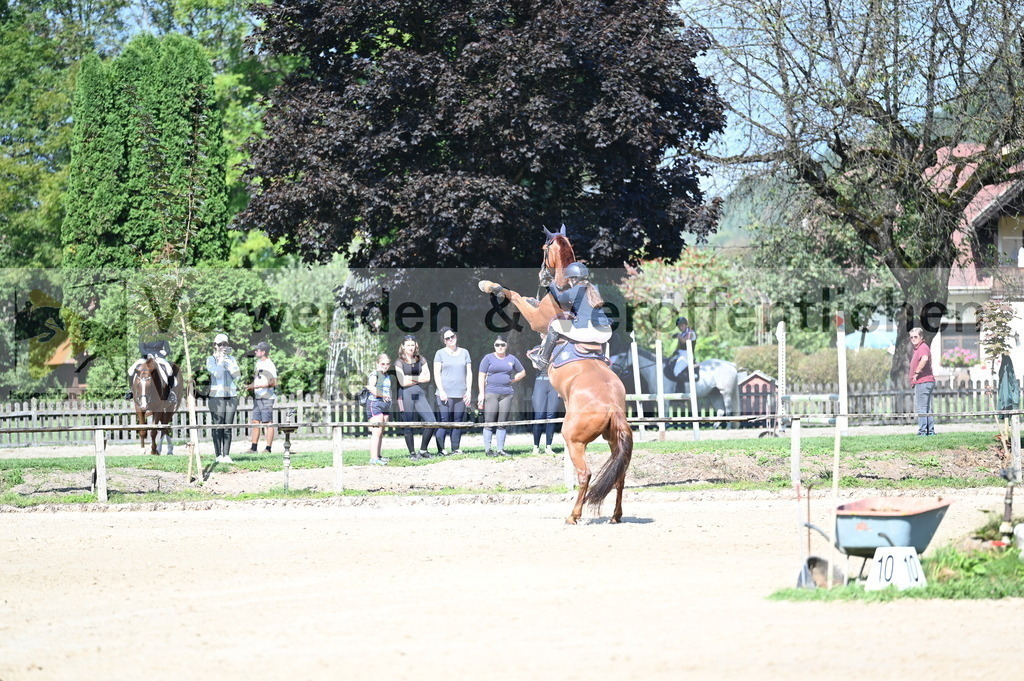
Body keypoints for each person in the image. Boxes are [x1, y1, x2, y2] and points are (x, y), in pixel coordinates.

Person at [529, 262, 613, 371]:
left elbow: (559, 298)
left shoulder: (575, 290)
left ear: (574, 279)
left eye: (569, 279)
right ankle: (602, 358)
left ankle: (542, 360)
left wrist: (551, 283)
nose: (569, 282)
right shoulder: (594, 288)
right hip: (606, 332)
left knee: (555, 324)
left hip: (589, 331)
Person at [477, 335, 526, 456]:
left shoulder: (511, 358)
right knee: (489, 421)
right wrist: (481, 394)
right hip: (491, 393)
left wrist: (513, 380)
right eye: (497, 345)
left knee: (502, 422)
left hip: (507, 394)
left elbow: (523, 372)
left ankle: (500, 450)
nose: (500, 347)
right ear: (494, 346)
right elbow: (481, 376)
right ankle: (488, 450)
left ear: (506, 345)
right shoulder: (488, 358)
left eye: (502, 345)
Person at [395, 335, 441, 460]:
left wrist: (409, 378)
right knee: (408, 424)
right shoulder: (399, 362)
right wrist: (418, 378)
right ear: (403, 346)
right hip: (404, 395)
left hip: (419, 394)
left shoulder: (421, 359)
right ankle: (412, 453)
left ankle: (423, 450)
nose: (411, 347)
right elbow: (402, 382)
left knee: (432, 422)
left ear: (416, 345)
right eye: (408, 345)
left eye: (412, 344)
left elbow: (427, 378)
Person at [433, 326, 472, 456]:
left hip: (461, 393)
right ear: (444, 341)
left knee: (458, 422)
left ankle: (455, 448)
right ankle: (441, 449)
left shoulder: (465, 352)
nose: (450, 339)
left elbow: (469, 373)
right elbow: (436, 374)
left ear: (456, 336)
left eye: (452, 336)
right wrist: (441, 390)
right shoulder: (440, 353)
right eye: (447, 338)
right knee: (444, 421)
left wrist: (469, 391)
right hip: (445, 394)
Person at [206, 333, 242, 463]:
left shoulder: (231, 358)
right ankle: (218, 455)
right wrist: (221, 360)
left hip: (231, 395)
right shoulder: (211, 359)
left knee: (228, 425)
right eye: (220, 344)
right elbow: (218, 374)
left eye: (225, 344)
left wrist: (228, 362)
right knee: (218, 425)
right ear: (215, 346)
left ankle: (226, 454)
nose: (222, 346)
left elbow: (237, 375)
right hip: (216, 396)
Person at [529, 333, 563, 456]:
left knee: (551, 415)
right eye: (543, 334)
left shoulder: (557, 349)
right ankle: (536, 446)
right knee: (539, 415)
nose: (545, 336)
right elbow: (536, 365)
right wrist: (543, 347)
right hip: (540, 383)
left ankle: (549, 446)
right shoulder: (537, 347)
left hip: (553, 383)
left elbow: (560, 368)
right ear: (541, 336)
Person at [245, 341, 278, 453]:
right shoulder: (258, 363)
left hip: (267, 397)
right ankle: (253, 448)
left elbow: (273, 383)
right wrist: (251, 386)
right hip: (258, 396)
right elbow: (258, 379)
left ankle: (268, 449)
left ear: (263, 352)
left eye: (257, 350)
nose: (255, 351)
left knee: (267, 423)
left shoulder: (270, 364)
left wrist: (259, 386)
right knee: (255, 421)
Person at [127, 331, 176, 402]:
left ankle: (170, 392)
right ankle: (131, 391)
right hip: (145, 358)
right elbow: (141, 349)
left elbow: (167, 349)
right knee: (130, 371)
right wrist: (149, 354)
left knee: (169, 371)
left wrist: (164, 352)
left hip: (158, 358)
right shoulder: (143, 335)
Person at [365, 353, 393, 465]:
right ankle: (373, 458)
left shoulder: (386, 375)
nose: (385, 366)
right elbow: (370, 387)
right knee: (376, 431)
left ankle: (378, 455)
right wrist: (383, 395)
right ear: (377, 363)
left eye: (387, 364)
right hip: (375, 403)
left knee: (381, 431)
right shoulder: (374, 374)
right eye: (382, 364)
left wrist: (388, 397)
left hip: (384, 405)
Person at [908, 327, 935, 436]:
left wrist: (916, 373)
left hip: (923, 381)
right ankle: (930, 431)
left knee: (922, 408)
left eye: (915, 337)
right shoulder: (919, 348)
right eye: (911, 337)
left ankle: (923, 432)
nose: (913, 339)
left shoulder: (923, 347)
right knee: (927, 408)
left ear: (921, 337)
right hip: (926, 381)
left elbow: (924, 359)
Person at [666, 316, 699, 383]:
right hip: (681, 354)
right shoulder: (682, 334)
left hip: (687, 355)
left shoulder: (691, 333)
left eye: (682, 326)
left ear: (686, 325)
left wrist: (678, 335)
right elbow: (679, 346)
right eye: (679, 327)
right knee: (669, 364)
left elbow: (684, 341)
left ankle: (687, 383)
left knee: (676, 371)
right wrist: (674, 353)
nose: (681, 328)